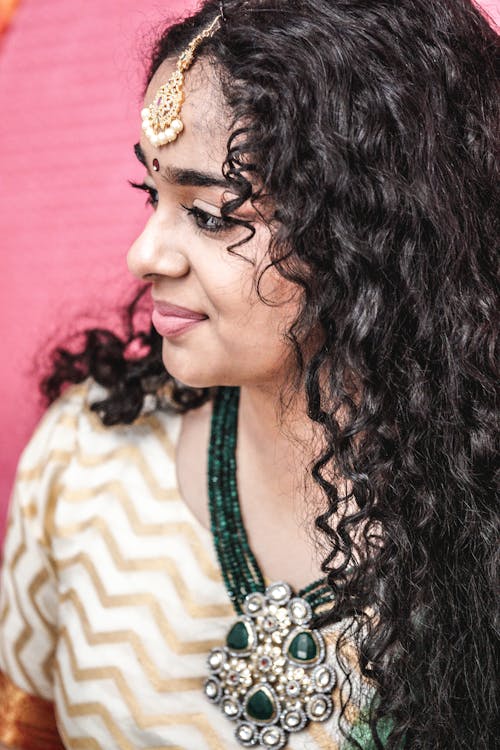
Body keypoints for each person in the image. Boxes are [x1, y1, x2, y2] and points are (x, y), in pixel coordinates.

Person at [0, 0, 498, 748]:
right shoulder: (89, 456)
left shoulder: (478, 514)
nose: (145, 255)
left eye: (208, 214)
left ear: (370, 229)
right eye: (151, 194)